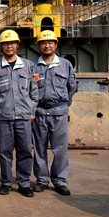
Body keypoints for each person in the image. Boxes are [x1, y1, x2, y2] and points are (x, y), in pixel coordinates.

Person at [0, 29, 38, 197]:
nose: (9, 46)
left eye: (12, 43)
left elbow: (34, 91)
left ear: (17, 45)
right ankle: (6, 182)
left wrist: (32, 110)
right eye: (6, 44)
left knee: (25, 151)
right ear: (1, 46)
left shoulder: (28, 66)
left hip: (24, 117)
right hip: (4, 117)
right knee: (5, 152)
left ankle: (24, 183)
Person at [32, 30, 77, 196]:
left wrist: (63, 104)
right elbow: (28, 90)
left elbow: (72, 87)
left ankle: (59, 181)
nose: (47, 45)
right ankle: (42, 180)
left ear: (56, 44)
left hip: (59, 113)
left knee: (60, 149)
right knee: (39, 148)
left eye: (50, 42)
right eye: (43, 43)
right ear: (39, 45)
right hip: (39, 112)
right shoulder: (32, 66)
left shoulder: (65, 65)